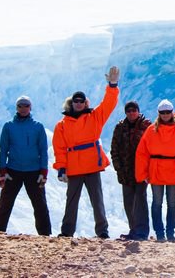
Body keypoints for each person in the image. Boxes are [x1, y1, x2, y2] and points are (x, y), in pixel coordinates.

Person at [53, 66, 120, 238]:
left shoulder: (94, 117)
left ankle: (102, 232)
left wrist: (112, 86)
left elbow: (108, 104)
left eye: (81, 101)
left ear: (85, 103)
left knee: (97, 201)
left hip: (91, 165)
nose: (78, 103)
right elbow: (59, 148)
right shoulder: (62, 125)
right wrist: (61, 168)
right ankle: (67, 232)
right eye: (76, 101)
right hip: (74, 167)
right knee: (71, 201)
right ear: (71, 103)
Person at [0, 95, 51, 235]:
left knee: (40, 204)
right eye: (20, 106)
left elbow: (43, 150)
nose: (23, 109)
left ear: (30, 108)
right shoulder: (9, 126)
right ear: (16, 108)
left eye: (26, 106)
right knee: (5, 202)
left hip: (34, 171)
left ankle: (45, 234)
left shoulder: (38, 127)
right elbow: (3, 150)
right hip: (13, 170)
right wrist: (2, 171)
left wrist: (44, 172)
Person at [135, 99, 175, 242]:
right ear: (159, 113)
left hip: (173, 169)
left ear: (172, 112)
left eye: (168, 112)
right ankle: (160, 233)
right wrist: (142, 174)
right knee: (157, 202)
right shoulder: (151, 130)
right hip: (157, 170)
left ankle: (170, 232)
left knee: (172, 203)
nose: (166, 115)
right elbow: (142, 153)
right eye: (163, 112)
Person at [110, 100, 152, 241]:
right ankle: (133, 230)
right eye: (129, 111)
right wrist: (118, 168)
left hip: (141, 171)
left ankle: (142, 232)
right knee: (128, 202)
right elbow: (114, 148)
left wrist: (149, 169)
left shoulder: (147, 126)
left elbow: (152, 148)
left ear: (138, 111)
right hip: (125, 172)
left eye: (134, 110)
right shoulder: (120, 127)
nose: (131, 113)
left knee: (140, 201)